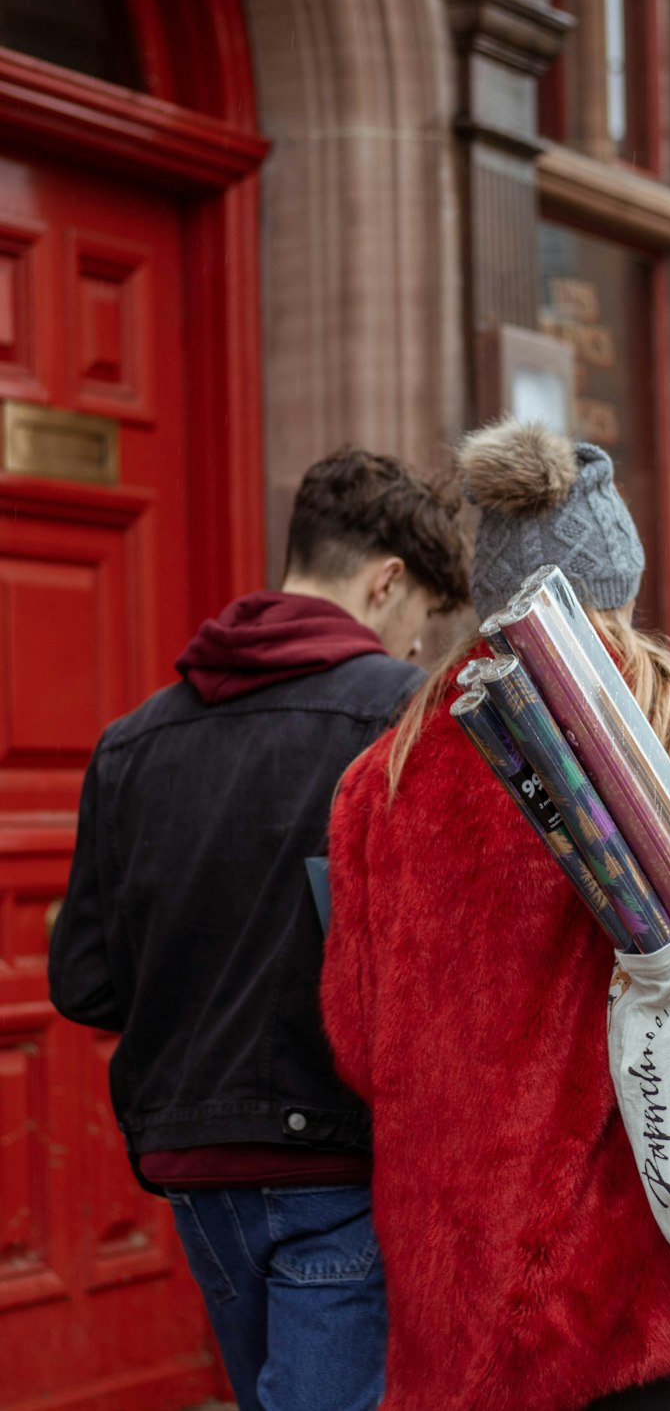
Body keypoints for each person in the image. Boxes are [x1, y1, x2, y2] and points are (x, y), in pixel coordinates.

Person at [320, 420, 670, 1411]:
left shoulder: (387, 773)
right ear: (619, 575)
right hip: (637, 1265)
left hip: (457, 1273)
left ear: (491, 592)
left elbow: (360, 1045)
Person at [48, 447, 468, 1411]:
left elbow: (83, 982)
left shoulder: (134, 739)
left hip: (196, 1168)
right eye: (421, 626)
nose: (415, 650)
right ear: (387, 581)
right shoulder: (402, 719)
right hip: (339, 1162)